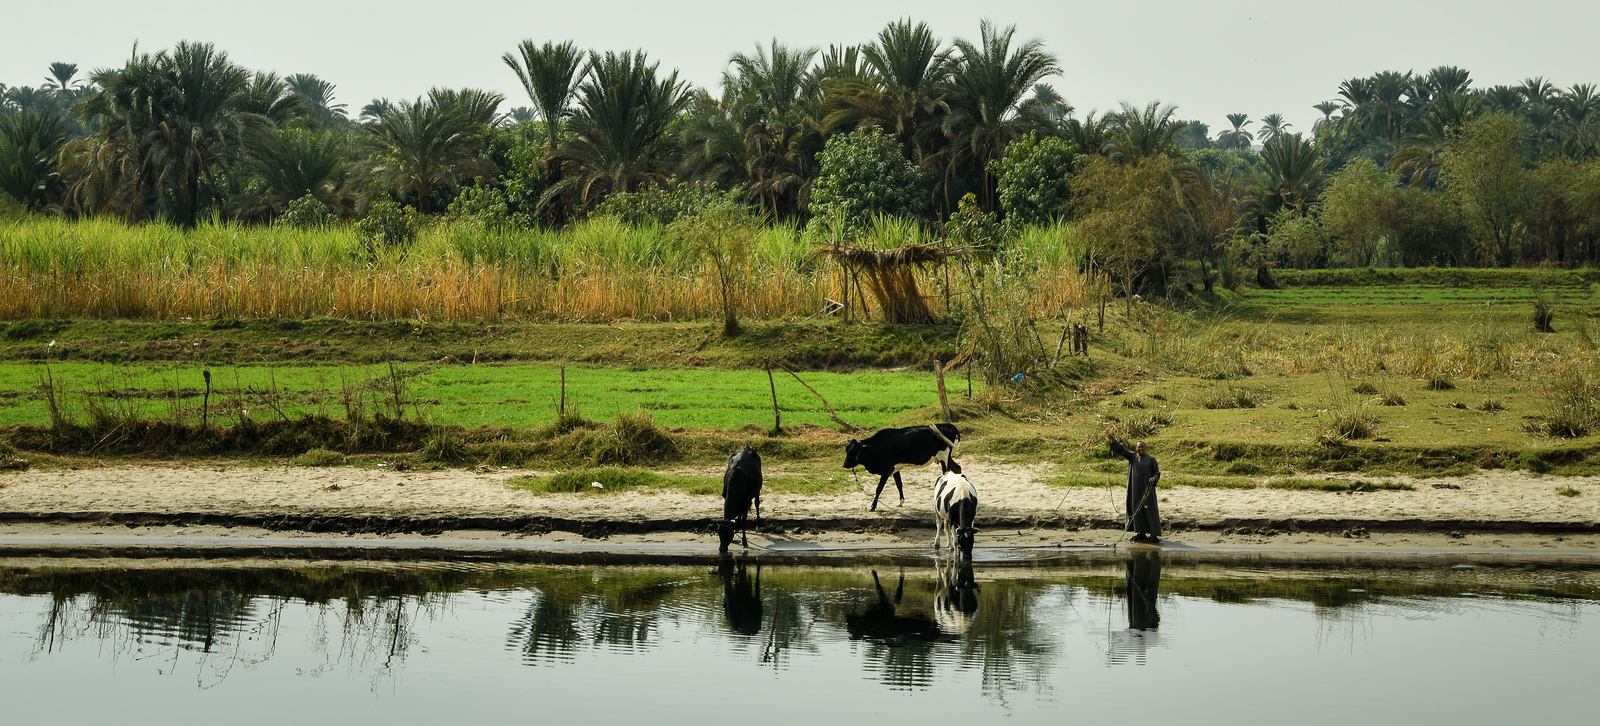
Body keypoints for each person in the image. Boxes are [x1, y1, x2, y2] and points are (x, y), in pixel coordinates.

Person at [1109, 436, 1161, 543]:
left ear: (1145, 448)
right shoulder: (1132, 457)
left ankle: (1153, 535)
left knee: (1150, 511)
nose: (1140, 448)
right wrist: (1113, 440)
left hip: (1148, 491)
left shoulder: (1151, 460)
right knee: (1137, 511)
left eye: (1142, 447)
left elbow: (1157, 472)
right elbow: (1122, 450)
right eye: (1139, 447)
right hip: (1135, 490)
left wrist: (1154, 478)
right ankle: (1140, 533)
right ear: (1136, 449)